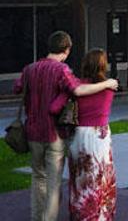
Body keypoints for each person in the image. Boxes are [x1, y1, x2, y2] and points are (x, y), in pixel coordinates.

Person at [12, 31, 118, 221]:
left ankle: (37, 218)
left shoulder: (29, 69)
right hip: (53, 134)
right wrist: (108, 83)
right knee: (53, 185)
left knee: (38, 178)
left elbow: (17, 88)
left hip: (32, 132)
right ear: (66, 50)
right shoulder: (62, 70)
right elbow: (76, 89)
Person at [63, 49, 117, 221]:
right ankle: (99, 215)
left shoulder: (77, 86)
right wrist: (107, 82)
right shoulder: (109, 87)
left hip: (78, 135)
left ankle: (80, 213)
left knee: (79, 175)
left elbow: (79, 91)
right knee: (100, 175)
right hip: (99, 135)